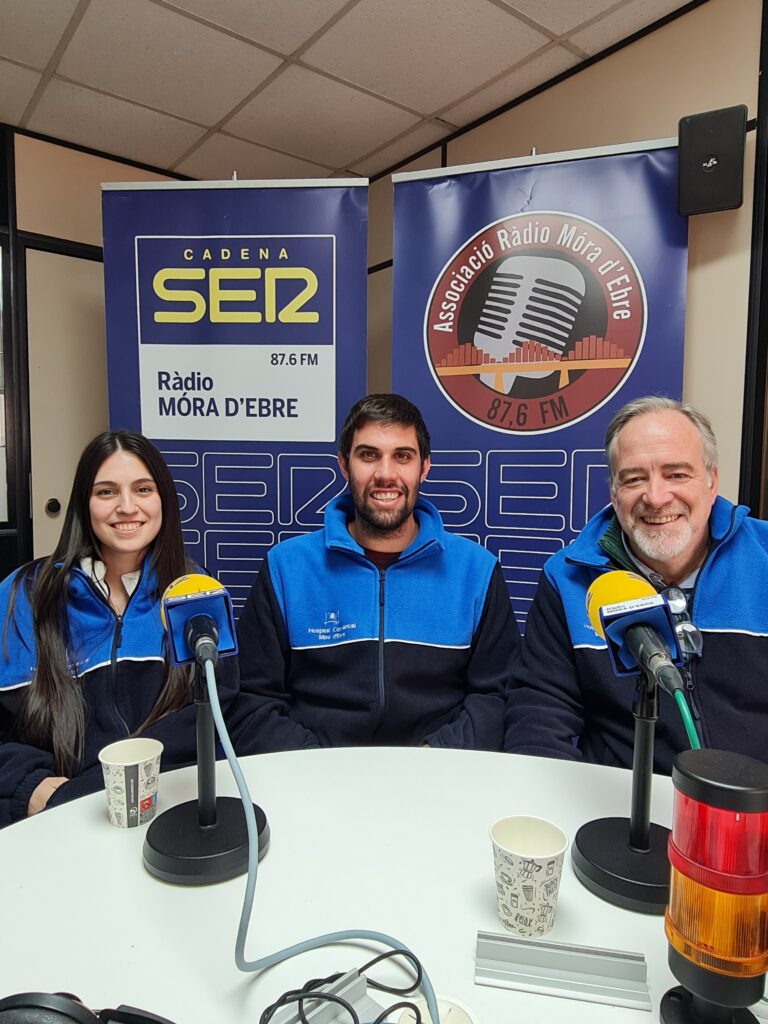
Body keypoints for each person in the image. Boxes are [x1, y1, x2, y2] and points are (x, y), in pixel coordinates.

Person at [236, 393, 520, 752]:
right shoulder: (286, 567)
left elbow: (497, 696)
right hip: (313, 780)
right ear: (344, 464)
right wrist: (322, 770)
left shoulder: (476, 570)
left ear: (424, 468)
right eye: (369, 455)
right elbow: (252, 700)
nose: (386, 474)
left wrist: (431, 761)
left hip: (440, 778)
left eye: (402, 456)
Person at [504, 395, 768, 774]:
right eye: (634, 478)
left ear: (712, 482)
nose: (656, 497)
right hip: (622, 809)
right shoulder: (566, 578)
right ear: (614, 493)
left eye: (677, 474)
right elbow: (540, 714)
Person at [0, 430, 240, 827]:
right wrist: (32, 786)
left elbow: (218, 718)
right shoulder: (22, 595)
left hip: (166, 817)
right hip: (54, 825)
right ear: (84, 503)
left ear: (163, 500)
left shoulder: (196, 594)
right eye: (107, 492)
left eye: (143, 489)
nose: (127, 507)